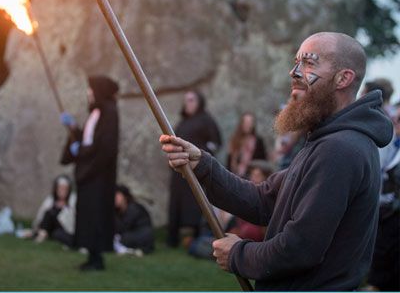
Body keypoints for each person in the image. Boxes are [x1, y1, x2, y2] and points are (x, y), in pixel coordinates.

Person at [160, 32, 393, 290]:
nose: (294, 72)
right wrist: (202, 165)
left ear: (343, 78)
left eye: (309, 63)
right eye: (296, 62)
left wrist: (239, 255)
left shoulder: (340, 149)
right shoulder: (327, 141)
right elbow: (263, 201)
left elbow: (301, 248)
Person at [61, 75, 120, 271]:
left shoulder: (110, 113)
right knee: (87, 216)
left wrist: (82, 152)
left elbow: (105, 147)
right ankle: (92, 257)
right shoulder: (97, 112)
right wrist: (73, 128)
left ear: (100, 91)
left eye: (91, 89)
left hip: (98, 174)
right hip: (89, 174)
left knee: (96, 216)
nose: (88, 93)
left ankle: (97, 259)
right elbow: (88, 139)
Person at [167, 90, 221, 248]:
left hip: (195, 169)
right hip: (179, 170)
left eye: (191, 100)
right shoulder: (183, 122)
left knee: (194, 201)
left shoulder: (206, 120)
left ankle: (195, 237)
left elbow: (215, 143)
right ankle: (172, 238)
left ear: (199, 102)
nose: (188, 103)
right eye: (186, 100)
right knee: (176, 201)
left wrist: (200, 155)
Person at [364, 97, 400, 291]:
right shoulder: (393, 145)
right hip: (384, 213)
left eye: (399, 119)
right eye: (395, 118)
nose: (395, 122)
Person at [27, 175, 76, 246]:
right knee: (49, 213)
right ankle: (40, 234)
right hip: (49, 228)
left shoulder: (72, 201)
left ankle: (39, 235)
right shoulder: (50, 201)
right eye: (60, 188)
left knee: (51, 215)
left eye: (65, 189)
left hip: (64, 229)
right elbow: (41, 216)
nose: (62, 191)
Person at [113, 184, 154, 255]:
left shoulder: (133, 208)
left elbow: (122, 227)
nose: (115, 198)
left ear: (125, 197)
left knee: (122, 238)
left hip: (143, 236)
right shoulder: (119, 210)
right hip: (131, 234)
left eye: (117, 195)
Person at [226, 112, 268, 177]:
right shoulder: (235, 140)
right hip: (235, 176)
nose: (248, 125)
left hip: (251, 178)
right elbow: (229, 160)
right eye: (246, 122)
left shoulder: (258, 141)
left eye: (250, 122)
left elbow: (263, 161)